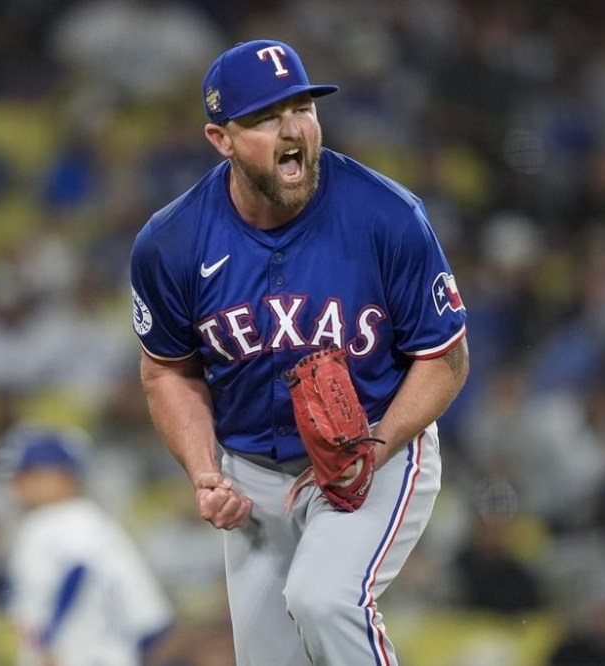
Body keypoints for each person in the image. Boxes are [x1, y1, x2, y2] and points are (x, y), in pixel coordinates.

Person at [130, 39, 469, 665]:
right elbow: (168, 373)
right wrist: (205, 471)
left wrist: (378, 445)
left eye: (302, 108)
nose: (293, 129)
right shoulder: (171, 243)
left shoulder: (386, 216)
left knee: (324, 599)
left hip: (374, 446)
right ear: (220, 138)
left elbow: (445, 357)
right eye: (264, 117)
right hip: (253, 470)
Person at [0, 425, 175, 666]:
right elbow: (152, 619)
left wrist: (49, 642)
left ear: (63, 475)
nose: (18, 484)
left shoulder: (55, 521)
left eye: (30, 474)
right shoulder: (94, 522)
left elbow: (77, 571)